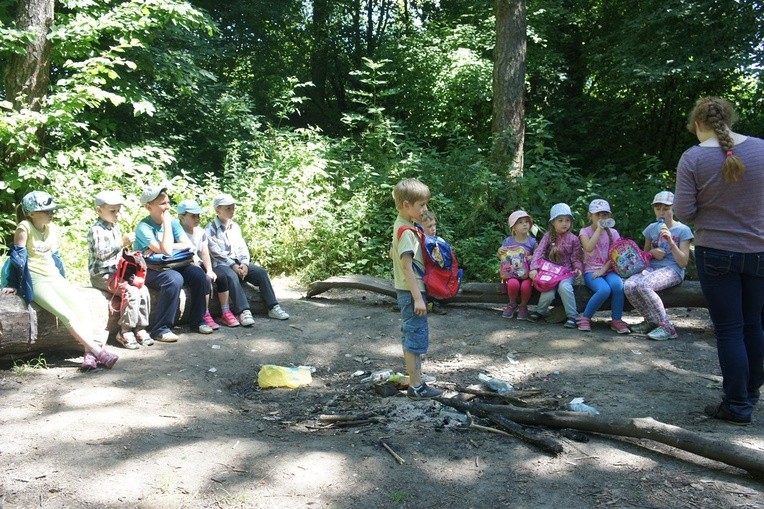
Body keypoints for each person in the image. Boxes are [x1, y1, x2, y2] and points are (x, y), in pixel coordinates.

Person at [674, 96, 764, 425]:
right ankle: (751, 393)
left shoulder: (693, 158)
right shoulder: (761, 149)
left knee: (729, 330)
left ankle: (738, 405)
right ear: (729, 119)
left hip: (716, 254)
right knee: (754, 323)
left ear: (699, 124)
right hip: (759, 252)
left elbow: (684, 212)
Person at [1, 191, 119, 369]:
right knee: (65, 313)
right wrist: (11, 284)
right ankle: (99, 352)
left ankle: (89, 355)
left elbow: (56, 258)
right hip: (36, 280)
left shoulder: (52, 228)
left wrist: (64, 282)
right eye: (47, 210)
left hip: (53, 277)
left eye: (52, 209)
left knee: (81, 306)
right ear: (32, 213)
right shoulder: (24, 228)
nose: (52, 213)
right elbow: (16, 260)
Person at [134, 185, 213, 342]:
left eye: (168, 202)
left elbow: (184, 244)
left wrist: (162, 247)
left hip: (173, 263)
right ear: (149, 206)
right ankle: (161, 329)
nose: (168, 207)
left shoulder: (174, 223)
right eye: (163, 203)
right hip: (150, 268)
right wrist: (166, 227)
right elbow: (167, 251)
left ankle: (198, 321)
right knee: (174, 279)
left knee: (199, 275)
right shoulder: (143, 227)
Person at [390, 178, 443, 399]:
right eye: (421, 205)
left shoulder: (403, 225)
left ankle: (416, 378)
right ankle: (416, 386)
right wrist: (418, 298)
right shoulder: (408, 232)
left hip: (408, 290)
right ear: (406, 205)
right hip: (412, 291)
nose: (425, 209)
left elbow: (392, 253)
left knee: (412, 333)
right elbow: (406, 265)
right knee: (415, 335)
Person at [205, 194, 289, 327]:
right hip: (221, 264)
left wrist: (244, 263)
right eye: (228, 208)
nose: (232, 211)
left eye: (233, 208)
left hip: (238, 261)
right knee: (232, 277)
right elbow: (215, 252)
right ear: (217, 210)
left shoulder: (235, 227)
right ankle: (243, 311)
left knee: (260, 272)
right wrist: (232, 265)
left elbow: (241, 246)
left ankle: (273, 307)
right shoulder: (210, 229)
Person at [624, 191, 693, 341]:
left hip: (673, 269)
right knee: (629, 285)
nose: (662, 212)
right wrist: (652, 253)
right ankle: (651, 322)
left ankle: (668, 327)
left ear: (673, 209)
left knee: (643, 285)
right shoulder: (651, 228)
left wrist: (670, 242)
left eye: (666, 209)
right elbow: (644, 256)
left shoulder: (683, 230)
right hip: (652, 268)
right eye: (658, 208)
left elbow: (683, 262)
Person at [87, 190, 152, 349]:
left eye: (118, 210)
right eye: (112, 211)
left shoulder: (113, 228)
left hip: (118, 272)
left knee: (142, 289)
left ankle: (140, 327)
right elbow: (102, 255)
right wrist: (121, 243)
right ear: (99, 210)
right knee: (130, 291)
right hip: (102, 274)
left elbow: (118, 254)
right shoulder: (96, 230)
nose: (117, 214)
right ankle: (124, 330)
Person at [177, 199, 239, 329]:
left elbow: (205, 252)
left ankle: (225, 311)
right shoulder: (178, 232)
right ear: (182, 217)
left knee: (221, 276)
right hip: (186, 264)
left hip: (199, 263)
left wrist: (210, 269)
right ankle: (205, 312)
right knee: (204, 279)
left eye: (198, 215)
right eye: (193, 216)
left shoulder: (200, 231)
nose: (197, 218)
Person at [577, 199, 630, 334]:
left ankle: (616, 320)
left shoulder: (613, 233)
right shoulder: (584, 231)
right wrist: (599, 231)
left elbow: (615, 255)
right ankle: (586, 317)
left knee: (618, 286)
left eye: (605, 215)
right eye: (598, 215)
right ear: (590, 216)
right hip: (591, 271)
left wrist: (604, 269)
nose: (601, 218)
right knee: (604, 290)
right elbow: (588, 248)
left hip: (609, 268)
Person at [528, 203, 583, 328]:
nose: (564, 223)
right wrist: (534, 268)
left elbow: (575, 258)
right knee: (547, 290)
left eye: (568, 220)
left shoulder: (574, 239)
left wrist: (578, 268)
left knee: (565, 287)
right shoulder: (548, 236)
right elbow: (539, 251)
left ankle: (572, 316)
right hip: (549, 272)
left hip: (567, 273)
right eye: (560, 220)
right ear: (553, 222)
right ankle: (539, 312)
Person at [498, 210, 536, 321]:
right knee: (513, 284)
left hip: (527, 274)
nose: (525, 224)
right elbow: (502, 256)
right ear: (513, 228)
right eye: (520, 222)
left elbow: (538, 256)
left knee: (525, 286)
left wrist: (531, 257)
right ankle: (512, 303)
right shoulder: (508, 241)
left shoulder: (532, 242)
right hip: (511, 274)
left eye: (526, 222)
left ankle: (523, 306)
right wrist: (499, 251)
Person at [418, 210, 447, 315]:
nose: (433, 228)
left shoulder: (437, 240)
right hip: (422, 268)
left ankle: (436, 303)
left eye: (434, 225)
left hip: (433, 270)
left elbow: (440, 260)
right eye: (429, 226)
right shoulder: (420, 239)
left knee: (435, 279)